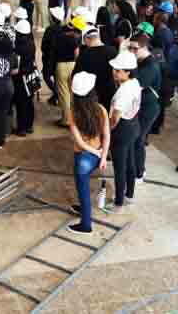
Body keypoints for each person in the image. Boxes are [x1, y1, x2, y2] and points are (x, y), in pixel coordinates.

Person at [67, 72, 110, 235]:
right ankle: (83, 209)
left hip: (83, 158)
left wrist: (97, 153)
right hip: (96, 155)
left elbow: (80, 142)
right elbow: (107, 135)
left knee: (82, 189)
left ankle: (86, 225)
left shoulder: (73, 113)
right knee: (83, 190)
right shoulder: (101, 109)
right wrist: (103, 155)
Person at [104, 51, 141, 214]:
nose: (114, 72)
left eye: (118, 70)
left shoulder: (123, 92)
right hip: (133, 125)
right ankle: (129, 195)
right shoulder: (134, 83)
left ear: (128, 72)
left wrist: (107, 132)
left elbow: (114, 119)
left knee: (120, 167)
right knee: (130, 162)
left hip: (122, 129)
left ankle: (118, 203)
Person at [131, 32, 161, 181]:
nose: (132, 51)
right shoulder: (143, 61)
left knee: (138, 139)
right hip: (143, 105)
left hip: (148, 108)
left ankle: (139, 172)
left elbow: (136, 85)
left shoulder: (150, 66)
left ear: (144, 47)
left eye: (135, 48)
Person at [73, 26, 117, 112]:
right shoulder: (113, 51)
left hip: (91, 94)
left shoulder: (84, 55)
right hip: (109, 93)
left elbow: (75, 75)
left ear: (87, 38)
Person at [53, 16, 83, 127]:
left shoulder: (59, 37)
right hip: (72, 66)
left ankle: (66, 120)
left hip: (60, 66)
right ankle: (74, 118)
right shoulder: (75, 40)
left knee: (63, 94)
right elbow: (77, 55)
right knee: (72, 93)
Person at [12, 20, 37, 136]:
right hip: (30, 75)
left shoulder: (18, 46)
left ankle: (21, 128)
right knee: (29, 102)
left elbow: (17, 63)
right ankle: (29, 126)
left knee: (20, 103)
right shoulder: (32, 43)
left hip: (20, 77)